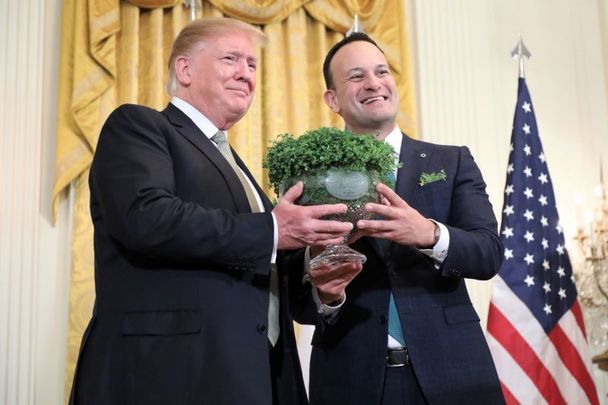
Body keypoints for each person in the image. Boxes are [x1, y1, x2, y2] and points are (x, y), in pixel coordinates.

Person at [69, 17, 357, 405]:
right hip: (169, 376)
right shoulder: (139, 126)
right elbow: (147, 217)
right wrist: (272, 230)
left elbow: (258, 268)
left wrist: (320, 282)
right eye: (231, 59)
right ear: (184, 69)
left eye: (252, 65)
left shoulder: (240, 169)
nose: (246, 74)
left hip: (259, 377)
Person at [291, 32, 506, 404]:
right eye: (356, 77)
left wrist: (428, 234)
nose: (374, 83)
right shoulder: (308, 176)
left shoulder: (451, 162)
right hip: (351, 380)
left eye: (381, 72)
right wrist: (326, 294)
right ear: (333, 99)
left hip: (455, 374)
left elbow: (488, 254)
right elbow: (296, 300)